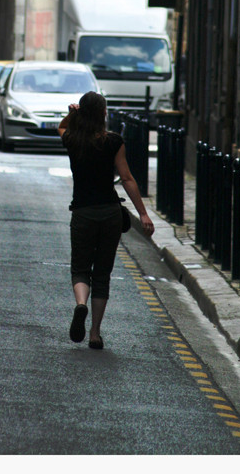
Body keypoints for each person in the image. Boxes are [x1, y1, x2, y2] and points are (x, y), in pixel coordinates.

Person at [58, 91, 154, 349]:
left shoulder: (72, 140)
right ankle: (95, 333)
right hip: (110, 213)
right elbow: (127, 179)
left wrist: (72, 113)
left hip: (82, 212)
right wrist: (143, 213)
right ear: (103, 114)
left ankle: (81, 305)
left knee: (80, 268)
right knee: (102, 273)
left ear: (82, 114)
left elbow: (62, 126)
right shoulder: (114, 142)